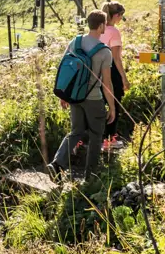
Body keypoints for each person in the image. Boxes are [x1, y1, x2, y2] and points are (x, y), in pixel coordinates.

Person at [48, 10, 115, 180]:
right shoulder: (104, 52)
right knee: (96, 134)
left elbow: (65, 70)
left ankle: (57, 164)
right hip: (93, 99)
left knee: (75, 131)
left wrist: (64, 95)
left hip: (75, 96)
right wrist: (112, 107)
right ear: (101, 26)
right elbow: (107, 83)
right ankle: (90, 176)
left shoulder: (75, 42)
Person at [101, 1, 131, 151]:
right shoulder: (114, 31)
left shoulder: (98, 29)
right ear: (116, 15)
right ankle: (109, 139)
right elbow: (116, 58)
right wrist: (124, 78)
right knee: (114, 103)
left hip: (97, 70)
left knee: (100, 104)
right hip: (111, 70)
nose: (121, 19)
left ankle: (98, 138)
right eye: (121, 16)